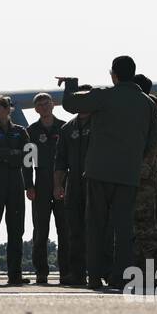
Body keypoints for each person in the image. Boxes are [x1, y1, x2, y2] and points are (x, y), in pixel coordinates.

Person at [60, 56, 157, 291]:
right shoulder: (146, 103)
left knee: (95, 225)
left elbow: (71, 105)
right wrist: (133, 158)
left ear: (114, 74)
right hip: (128, 174)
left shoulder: (105, 95)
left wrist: (71, 84)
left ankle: (94, 277)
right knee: (124, 229)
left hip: (99, 172)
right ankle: (121, 277)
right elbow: (153, 140)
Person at [0, 95, 32, 286]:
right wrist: (13, 154)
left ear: (8, 109)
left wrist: (30, 185)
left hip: (15, 182)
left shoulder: (21, 132)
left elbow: (28, 159)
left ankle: (15, 274)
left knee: (16, 229)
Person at [26, 92, 68, 284]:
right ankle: (41, 271)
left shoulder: (65, 128)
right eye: (40, 105)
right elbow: (27, 162)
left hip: (61, 182)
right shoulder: (31, 131)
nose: (44, 107)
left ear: (53, 105)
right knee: (40, 231)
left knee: (65, 229)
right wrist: (28, 185)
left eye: (46, 103)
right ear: (36, 109)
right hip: (41, 183)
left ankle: (66, 271)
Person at [53, 85, 93, 287]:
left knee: (98, 229)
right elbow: (60, 161)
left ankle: (100, 271)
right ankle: (76, 273)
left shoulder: (102, 123)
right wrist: (58, 185)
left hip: (96, 183)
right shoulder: (67, 128)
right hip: (74, 185)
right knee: (74, 231)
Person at [132, 75, 157, 281]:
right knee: (140, 225)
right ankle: (144, 268)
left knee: (146, 225)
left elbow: (151, 146)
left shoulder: (147, 109)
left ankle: (153, 269)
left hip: (143, 176)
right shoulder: (147, 109)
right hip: (143, 175)